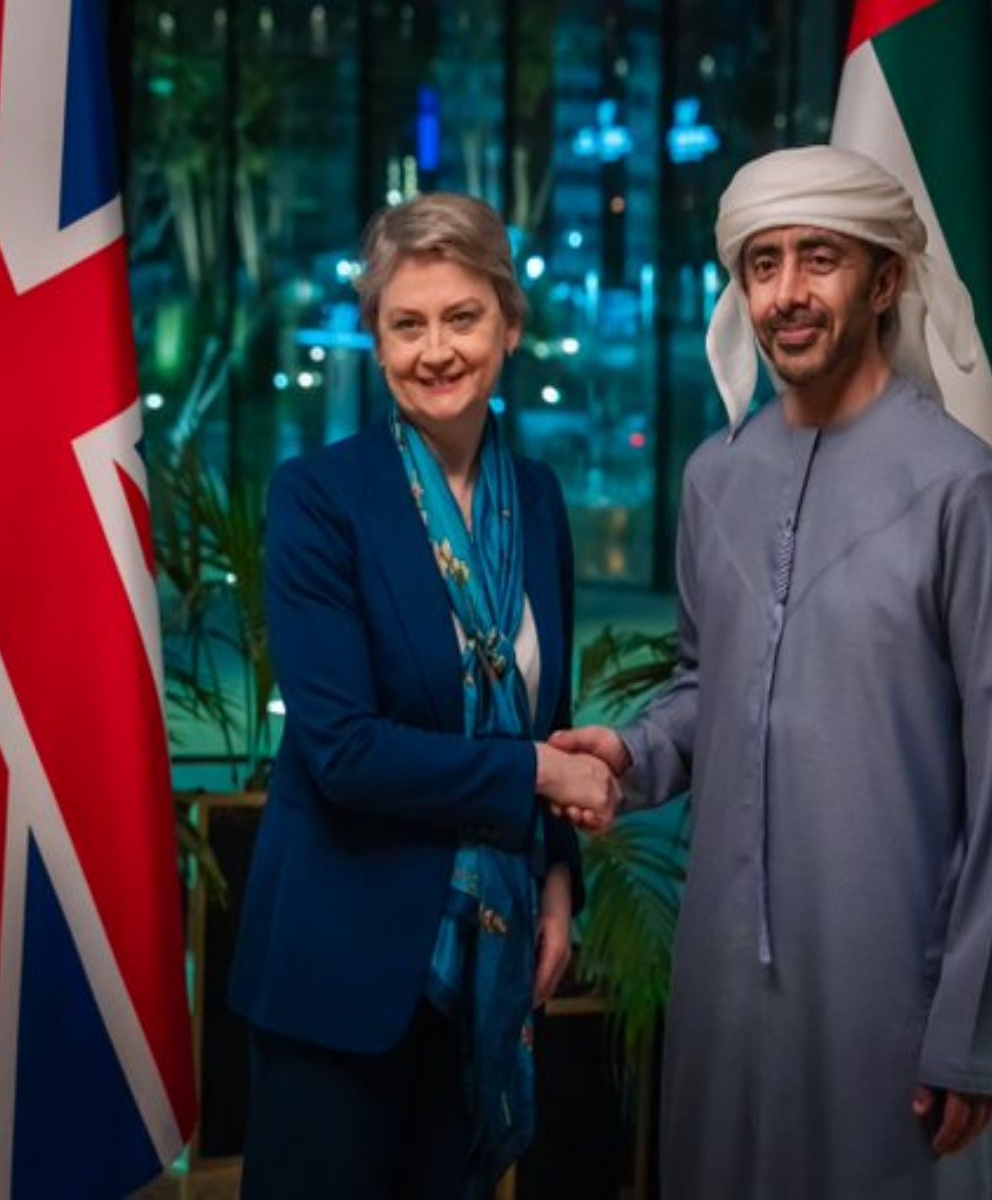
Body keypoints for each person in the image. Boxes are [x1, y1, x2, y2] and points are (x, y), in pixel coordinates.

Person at [551, 146, 992, 1199]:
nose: (785, 294)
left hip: (888, 994)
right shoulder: (713, 476)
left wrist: (967, 1034)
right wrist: (632, 755)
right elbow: (704, 687)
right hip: (723, 985)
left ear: (884, 280)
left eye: (816, 259)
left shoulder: (964, 491)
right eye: (761, 265)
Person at [227, 192, 619, 1199]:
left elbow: (548, 707)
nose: (435, 350)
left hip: (483, 965)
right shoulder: (317, 497)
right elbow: (346, 751)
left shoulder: (535, 500)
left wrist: (557, 881)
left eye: (461, 318)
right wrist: (535, 772)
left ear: (510, 328)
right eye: (407, 324)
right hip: (338, 971)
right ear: (374, 339)